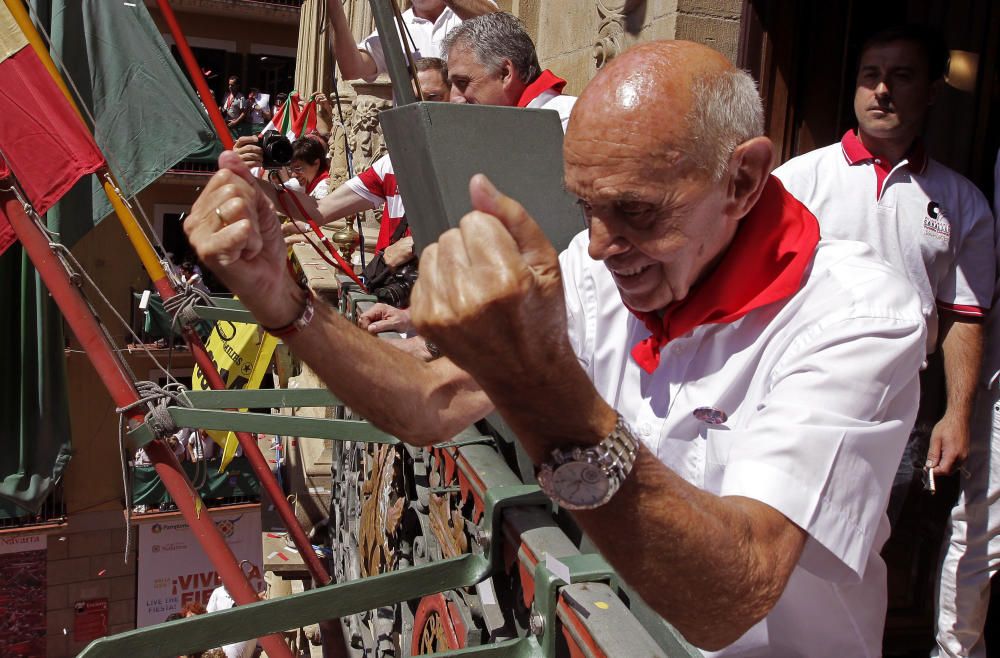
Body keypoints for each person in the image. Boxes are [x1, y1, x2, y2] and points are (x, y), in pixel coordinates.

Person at [185, 40, 927, 655]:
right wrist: (284, 302)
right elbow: (433, 400)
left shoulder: (858, 316)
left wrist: (544, 388)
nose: (601, 245)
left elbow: (734, 594)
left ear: (742, 178)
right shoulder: (604, 270)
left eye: (634, 211)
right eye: (586, 207)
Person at [772, 28, 996, 656]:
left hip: (902, 405)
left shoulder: (960, 201)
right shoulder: (796, 181)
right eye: (870, 73)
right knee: (784, 529)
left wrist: (955, 414)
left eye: (900, 76)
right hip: (802, 393)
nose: (881, 88)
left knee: (863, 544)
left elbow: (963, 314)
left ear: (930, 92)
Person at [442, 11, 576, 130]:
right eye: (451, 85)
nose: (453, 99)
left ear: (505, 73)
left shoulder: (568, 123)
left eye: (462, 82)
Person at [326, 0, 497, 83]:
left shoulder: (466, 7)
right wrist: (335, 11)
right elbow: (353, 69)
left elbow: (497, 21)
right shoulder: (396, 25)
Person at [288, 135, 332, 200]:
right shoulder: (306, 182)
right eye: (291, 169)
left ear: (316, 163)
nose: (293, 175)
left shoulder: (323, 189)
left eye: (298, 169)